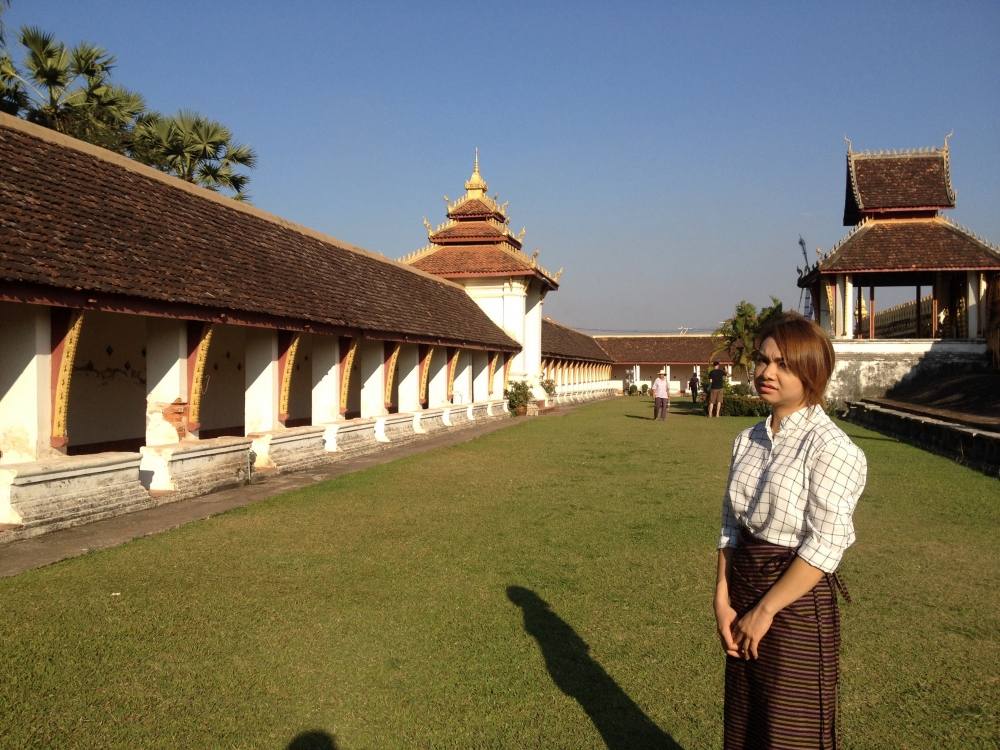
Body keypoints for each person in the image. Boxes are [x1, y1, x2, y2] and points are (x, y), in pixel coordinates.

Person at [713, 312, 867, 749]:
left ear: (811, 372)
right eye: (762, 361)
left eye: (783, 364)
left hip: (795, 604)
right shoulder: (746, 440)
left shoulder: (833, 448)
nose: (766, 373)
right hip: (744, 586)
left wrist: (765, 612)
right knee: (745, 724)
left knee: (790, 730)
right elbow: (730, 525)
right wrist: (722, 599)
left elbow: (827, 542)